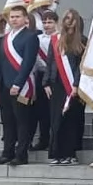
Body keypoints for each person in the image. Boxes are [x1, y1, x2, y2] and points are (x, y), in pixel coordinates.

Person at [0, 5, 39, 166]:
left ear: (25, 18)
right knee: (8, 120)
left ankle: (21, 155)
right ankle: (7, 152)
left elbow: (28, 63)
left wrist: (18, 84)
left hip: (22, 85)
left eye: (17, 16)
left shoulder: (31, 36)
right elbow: (1, 62)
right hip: (5, 85)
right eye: (11, 17)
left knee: (22, 121)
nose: (14, 19)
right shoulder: (6, 38)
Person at [44, 9, 87, 165]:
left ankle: (70, 153)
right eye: (66, 18)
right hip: (57, 84)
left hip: (73, 86)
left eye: (72, 18)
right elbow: (50, 62)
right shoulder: (56, 39)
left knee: (71, 119)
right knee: (56, 119)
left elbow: (80, 66)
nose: (69, 21)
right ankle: (57, 153)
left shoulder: (82, 40)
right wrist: (46, 82)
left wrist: (76, 84)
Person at [30, 10, 58, 152]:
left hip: (55, 78)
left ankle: (54, 140)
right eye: (45, 22)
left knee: (53, 110)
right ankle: (43, 139)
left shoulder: (59, 38)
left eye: (50, 22)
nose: (47, 25)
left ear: (56, 23)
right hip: (40, 76)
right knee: (41, 110)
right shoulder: (38, 38)